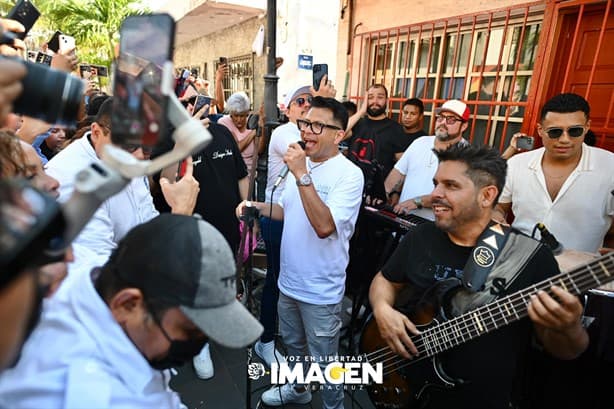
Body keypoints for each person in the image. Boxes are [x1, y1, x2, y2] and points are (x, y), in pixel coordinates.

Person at [369, 144, 588, 409]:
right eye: (436, 183)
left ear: (487, 195)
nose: (434, 194)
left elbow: (566, 351)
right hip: (409, 385)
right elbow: (386, 279)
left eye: (450, 186)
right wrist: (382, 309)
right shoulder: (420, 236)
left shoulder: (529, 257)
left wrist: (568, 327)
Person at [0, 214, 264, 407]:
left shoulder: (88, 269)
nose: (198, 342)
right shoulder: (100, 398)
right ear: (127, 304)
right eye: (189, 329)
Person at [237, 96, 364, 408]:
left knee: (326, 363)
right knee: (294, 347)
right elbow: (288, 210)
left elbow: (324, 226)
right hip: (288, 282)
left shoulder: (348, 175)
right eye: (305, 123)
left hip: (320, 290)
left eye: (318, 125)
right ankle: (299, 389)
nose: (307, 131)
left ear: (339, 134)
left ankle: (333, 405)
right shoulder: (301, 169)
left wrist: (301, 175)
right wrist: (257, 206)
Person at [45, 98, 199, 264]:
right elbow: (101, 270)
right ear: (97, 133)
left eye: (147, 147)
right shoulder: (68, 176)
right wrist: (181, 213)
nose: (139, 156)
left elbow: (147, 222)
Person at [495, 93, 614, 254]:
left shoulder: (610, 167)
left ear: (587, 127)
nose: (565, 139)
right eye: (555, 132)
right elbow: (500, 207)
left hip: (578, 273)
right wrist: (496, 218)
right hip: (516, 263)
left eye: (575, 131)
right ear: (540, 130)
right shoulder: (517, 164)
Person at [255, 84, 312, 368]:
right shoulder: (284, 133)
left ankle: (291, 336)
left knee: (292, 279)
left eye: (311, 101)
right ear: (288, 109)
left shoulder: (312, 132)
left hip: (303, 218)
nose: (306, 104)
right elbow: (303, 152)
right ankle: (264, 341)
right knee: (276, 280)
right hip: (277, 216)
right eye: (299, 100)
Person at [384, 99, 470, 219]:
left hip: (435, 229)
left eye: (451, 120)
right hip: (402, 221)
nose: (443, 123)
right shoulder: (420, 142)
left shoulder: (467, 155)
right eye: (440, 117)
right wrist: (383, 193)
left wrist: (417, 202)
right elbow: (398, 174)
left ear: (464, 126)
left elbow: (453, 196)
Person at [347, 84, 407, 178]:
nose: (375, 101)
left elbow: (402, 165)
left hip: (376, 189)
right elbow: (338, 134)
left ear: (387, 100)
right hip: (350, 183)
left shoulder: (396, 129)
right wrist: (361, 111)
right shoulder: (357, 123)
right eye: (370, 97)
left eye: (380, 97)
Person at [217, 92, 262, 178]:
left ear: (247, 113)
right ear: (231, 114)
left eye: (242, 116)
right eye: (236, 116)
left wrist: (261, 125)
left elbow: (259, 149)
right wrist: (252, 133)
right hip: (231, 175)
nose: (239, 119)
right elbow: (236, 148)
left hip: (250, 176)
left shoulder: (252, 123)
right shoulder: (223, 122)